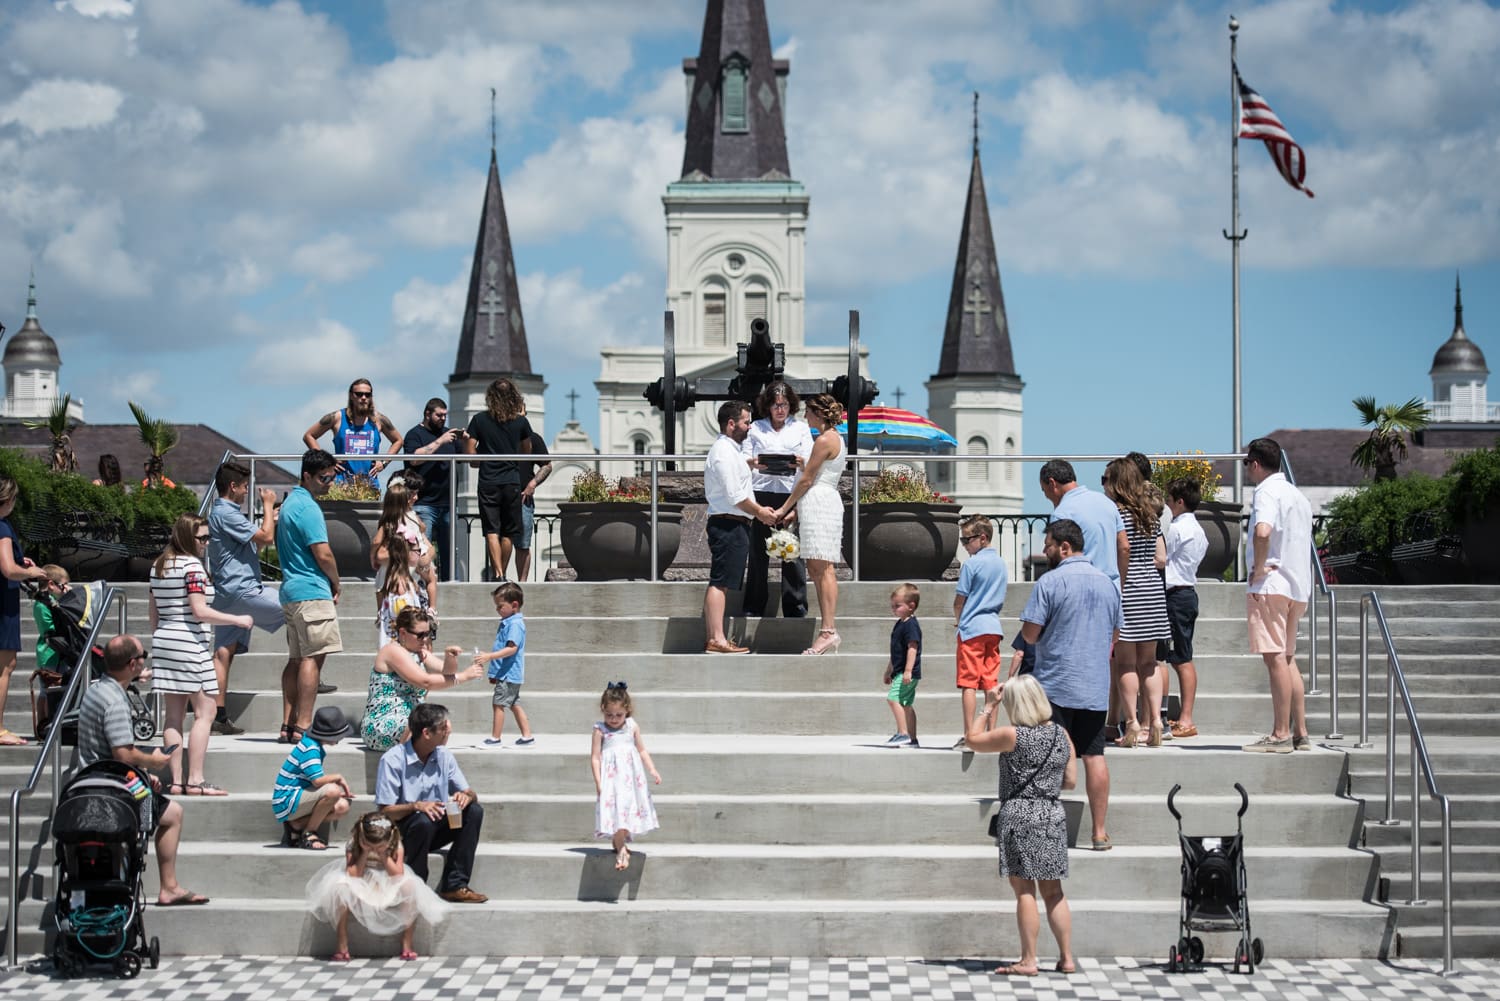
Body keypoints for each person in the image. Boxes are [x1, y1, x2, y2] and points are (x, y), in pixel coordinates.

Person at [77, 634, 208, 906]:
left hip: (97, 781)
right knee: (172, 814)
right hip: (112, 793)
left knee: (153, 795)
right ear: (133, 664)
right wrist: (153, 762)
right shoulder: (115, 702)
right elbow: (123, 753)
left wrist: (143, 778)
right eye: (143, 656)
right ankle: (169, 887)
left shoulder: (97, 689)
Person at [964, 674, 1079, 977]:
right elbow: (1070, 781)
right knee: (1054, 892)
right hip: (1052, 814)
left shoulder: (1013, 735)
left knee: (1025, 889)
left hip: (1019, 815)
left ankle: (1029, 960)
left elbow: (972, 739)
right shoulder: (1061, 735)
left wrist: (988, 707)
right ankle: (1067, 958)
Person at [1019, 519, 1120, 852]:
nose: (1045, 550)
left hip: (1056, 684)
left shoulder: (1050, 582)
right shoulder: (1108, 584)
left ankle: (1044, 831)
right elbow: (1115, 636)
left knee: (1048, 756)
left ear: (1064, 547)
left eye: (1048, 545)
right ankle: (1100, 832)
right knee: (1095, 756)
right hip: (1094, 684)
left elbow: (1030, 635)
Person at [150, 514, 254, 796]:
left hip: (164, 641)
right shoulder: (193, 567)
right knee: (206, 711)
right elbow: (199, 610)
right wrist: (236, 620)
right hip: (189, 643)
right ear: (187, 537)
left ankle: (176, 780)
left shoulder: (159, 566)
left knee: (172, 717)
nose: (207, 543)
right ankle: (195, 780)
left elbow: (154, 613)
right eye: (202, 538)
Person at [1242, 436, 1314, 753]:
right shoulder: (1297, 495)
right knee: (1287, 658)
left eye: (1247, 464)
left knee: (1275, 660)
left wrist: (1258, 569)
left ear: (1255, 464)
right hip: (1298, 586)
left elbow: (1262, 531)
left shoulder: (1266, 491)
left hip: (1272, 584)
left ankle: (1280, 733)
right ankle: (1300, 731)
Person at [375, 702, 488, 903]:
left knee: (474, 811)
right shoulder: (392, 760)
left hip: (436, 826)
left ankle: (455, 884)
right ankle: (416, 886)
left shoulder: (444, 756)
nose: (448, 731)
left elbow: (469, 792)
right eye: (444, 728)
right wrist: (415, 806)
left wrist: (467, 796)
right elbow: (385, 812)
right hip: (406, 830)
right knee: (423, 821)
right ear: (427, 733)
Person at [208, 460, 286, 736]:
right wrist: (267, 505)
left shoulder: (220, 513)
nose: (245, 492)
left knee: (223, 651)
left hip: (226, 593)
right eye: (243, 487)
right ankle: (308, 673)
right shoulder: (227, 513)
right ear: (232, 486)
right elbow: (264, 538)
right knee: (297, 609)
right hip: (243, 590)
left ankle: (218, 715)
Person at [307, 811, 449, 962]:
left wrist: (383, 854)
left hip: (387, 879)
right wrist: (364, 852)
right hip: (361, 880)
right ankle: (342, 942)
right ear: (361, 838)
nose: (374, 849)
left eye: (379, 846)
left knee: (410, 886)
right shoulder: (353, 844)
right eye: (369, 845)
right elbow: (353, 874)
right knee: (340, 887)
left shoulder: (396, 844)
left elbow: (397, 874)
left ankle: (407, 941)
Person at [276, 449, 344, 745]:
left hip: (291, 590)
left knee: (296, 659)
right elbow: (323, 553)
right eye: (324, 478)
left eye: (332, 476)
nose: (329, 482)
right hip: (311, 590)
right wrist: (336, 581)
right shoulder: (309, 508)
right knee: (312, 660)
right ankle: (303, 726)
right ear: (307, 476)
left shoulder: (290, 504)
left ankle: (287, 724)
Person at [1102, 458, 1169, 748]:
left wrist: (1122, 581)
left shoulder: (1117, 514)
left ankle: (1131, 723)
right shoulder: (1150, 515)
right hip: (1153, 590)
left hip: (1128, 590)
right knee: (1150, 662)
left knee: (1125, 663)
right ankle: (1154, 720)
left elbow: (1122, 548)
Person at [772, 393, 847, 655]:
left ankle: (828, 630)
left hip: (819, 502)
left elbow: (806, 481)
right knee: (818, 568)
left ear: (819, 414)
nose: (805, 417)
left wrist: (785, 507)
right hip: (821, 502)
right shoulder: (835, 438)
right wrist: (799, 513)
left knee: (822, 568)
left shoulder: (824, 439)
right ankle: (828, 629)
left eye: (808, 413)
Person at [702, 401, 777, 654]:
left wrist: (750, 464)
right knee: (719, 581)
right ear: (731, 423)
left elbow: (737, 470)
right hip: (728, 523)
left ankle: (717, 637)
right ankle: (716, 639)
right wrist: (761, 513)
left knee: (722, 580)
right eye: (746, 421)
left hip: (734, 523)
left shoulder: (731, 450)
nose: (749, 426)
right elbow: (734, 495)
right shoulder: (722, 452)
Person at [362, 607, 483, 753]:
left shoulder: (420, 653)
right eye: (420, 635)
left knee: (443, 726)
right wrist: (463, 677)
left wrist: (450, 657)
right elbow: (425, 682)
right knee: (418, 727)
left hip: (411, 720)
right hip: (383, 722)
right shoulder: (392, 651)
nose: (425, 639)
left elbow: (447, 672)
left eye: (428, 634)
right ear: (403, 633)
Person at [741, 381, 813, 619]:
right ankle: (754, 606)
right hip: (761, 493)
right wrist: (755, 463)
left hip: (789, 493)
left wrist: (799, 462)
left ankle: (795, 607)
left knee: (791, 553)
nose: (779, 410)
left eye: (783, 405)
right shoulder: (756, 428)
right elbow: (742, 460)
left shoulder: (801, 429)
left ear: (790, 405)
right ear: (767, 406)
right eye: (775, 405)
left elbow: (810, 462)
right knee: (758, 554)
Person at [463, 377, 534, 581]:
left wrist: (480, 457)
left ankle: (498, 574)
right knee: (509, 532)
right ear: (514, 397)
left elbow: (470, 455)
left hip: (488, 480)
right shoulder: (521, 422)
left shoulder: (479, 420)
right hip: (511, 480)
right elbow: (527, 452)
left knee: (491, 530)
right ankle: (502, 574)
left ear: (490, 397)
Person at [0, 475, 51, 743]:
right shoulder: (2, 527)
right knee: (5, 665)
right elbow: (8, 569)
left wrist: (20, 560)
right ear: (7, 500)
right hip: (3, 605)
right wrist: (29, 571)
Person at [591, 682, 661, 871]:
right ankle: (622, 850)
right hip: (611, 780)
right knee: (616, 810)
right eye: (609, 715)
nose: (613, 719)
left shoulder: (631, 726)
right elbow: (595, 757)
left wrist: (652, 769)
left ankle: (619, 844)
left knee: (625, 809)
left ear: (627, 711)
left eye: (618, 715)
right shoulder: (600, 730)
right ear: (602, 710)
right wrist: (598, 781)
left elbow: (642, 750)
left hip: (630, 779)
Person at [952, 515, 1008, 748]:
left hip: (972, 628)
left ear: (982, 538)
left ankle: (969, 735)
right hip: (993, 627)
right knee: (990, 683)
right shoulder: (1001, 563)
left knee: (969, 684)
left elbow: (959, 600)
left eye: (967, 540)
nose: (964, 545)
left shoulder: (972, 565)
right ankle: (991, 733)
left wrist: (958, 620)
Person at [272, 705, 354, 851]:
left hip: (297, 796)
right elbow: (316, 781)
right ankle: (308, 833)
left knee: (342, 806)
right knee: (333, 791)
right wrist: (337, 777)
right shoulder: (310, 748)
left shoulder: (313, 744)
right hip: (286, 800)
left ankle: (297, 825)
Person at [1163, 478, 1207, 739]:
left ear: (1180, 501)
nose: (1168, 505)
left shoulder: (1177, 528)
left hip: (1176, 594)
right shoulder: (1199, 530)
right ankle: (1184, 716)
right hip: (1187, 592)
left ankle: (1186, 718)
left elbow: (1163, 558)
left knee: (1180, 658)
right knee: (1181, 656)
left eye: (1169, 500)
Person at [1039, 459, 1127, 589]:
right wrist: (1119, 586)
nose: (1046, 496)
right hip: (1111, 589)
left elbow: (1059, 559)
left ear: (1052, 483)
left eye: (1043, 490)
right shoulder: (1107, 502)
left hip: (1080, 590)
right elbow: (1124, 547)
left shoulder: (1061, 513)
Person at [402, 398, 463, 581]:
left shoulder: (449, 434)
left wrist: (467, 441)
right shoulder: (415, 434)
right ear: (427, 414)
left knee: (449, 552)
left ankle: (450, 585)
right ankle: (419, 587)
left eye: (445, 415)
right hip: (424, 503)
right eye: (439, 415)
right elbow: (414, 459)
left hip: (448, 502)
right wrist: (440, 442)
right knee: (421, 550)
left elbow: (469, 459)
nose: (443, 419)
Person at [302, 378, 403, 486]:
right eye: (359, 394)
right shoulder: (337, 418)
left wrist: (383, 463)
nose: (363, 398)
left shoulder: (379, 420)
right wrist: (327, 461)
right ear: (351, 395)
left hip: (369, 485)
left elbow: (398, 440)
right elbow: (309, 436)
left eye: (367, 394)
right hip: (340, 484)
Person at [476, 582, 532, 746]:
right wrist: (495, 674)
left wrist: (489, 657)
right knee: (514, 703)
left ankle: (495, 737)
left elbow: (511, 649)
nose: (497, 609)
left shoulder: (514, 624)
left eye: (500, 606)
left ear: (514, 605)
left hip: (509, 674)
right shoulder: (509, 622)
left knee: (498, 704)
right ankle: (527, 735)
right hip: (507, 673)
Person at [371, 479, 436, 616]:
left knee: (381, 582)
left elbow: (376, 542)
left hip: (399, 561)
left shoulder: (388, 521)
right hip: (417, 556)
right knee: (429, 580)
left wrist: (373, 557)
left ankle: (380, 612)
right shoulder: (412, 516)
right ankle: (432, 608)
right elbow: (423, 529)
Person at [882, 583, 922, 747]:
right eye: (892, 606)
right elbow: (896, 651)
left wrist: (907, 671)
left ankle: (903, 733)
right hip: (899, 671)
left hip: (907, 673)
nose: (894, 609)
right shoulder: (900, 624)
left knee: (893, 699)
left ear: (911, 606)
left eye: (897, 606)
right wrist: (888, 670)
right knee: (906, 705)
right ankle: (912, 739)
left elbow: (912, 648)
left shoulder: (911, 625)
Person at [374, 533, 427, 648]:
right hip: (399, 646)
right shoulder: (399, 584)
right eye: (417, 550)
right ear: (406, 554)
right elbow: (402, 617)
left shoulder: (404, 579)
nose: (420, 553)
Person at [515, 426, 552, 582]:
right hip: (500, 498)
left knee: (523, 544)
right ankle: (500, 579)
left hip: (523, 498)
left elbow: (547, 465)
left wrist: (532, 484)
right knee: (502, 540)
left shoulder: (533, 437)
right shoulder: (499, 436)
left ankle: (522, 584)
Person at [31, 564, 72, 672]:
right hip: (51, 655)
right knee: (52, 687)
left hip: (59, 653)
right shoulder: (42, 604)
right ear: (51, 585)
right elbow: (52, 628)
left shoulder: (52, 602)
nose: (66, 589)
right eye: (64, 585)